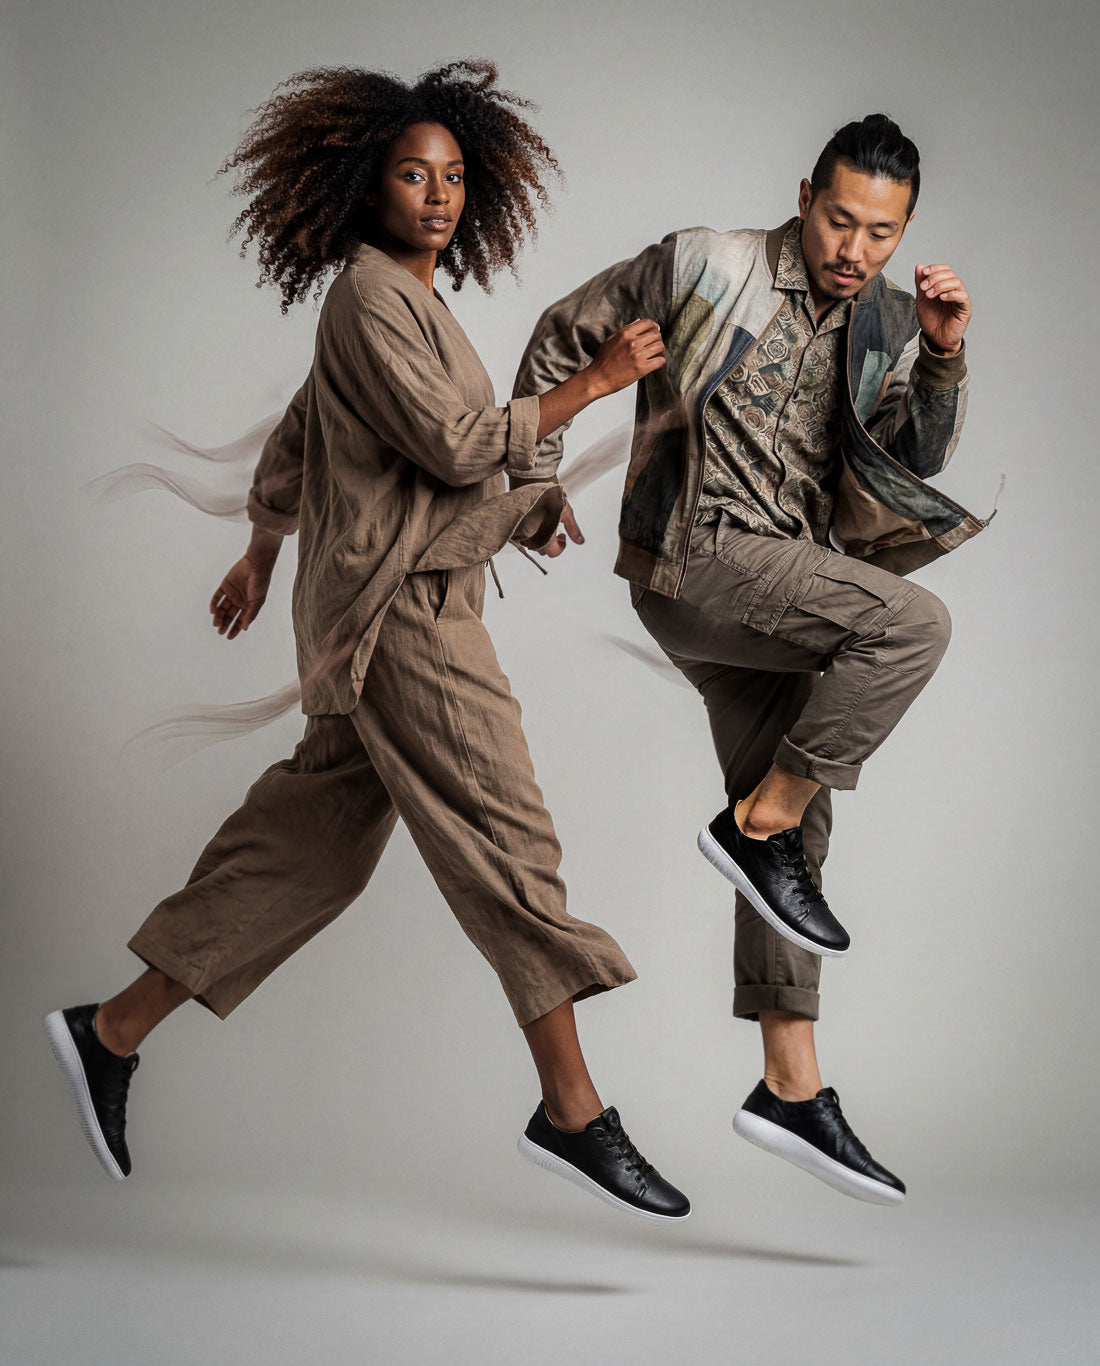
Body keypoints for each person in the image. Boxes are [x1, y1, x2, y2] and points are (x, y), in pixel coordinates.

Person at [44, 60, 690, 1223]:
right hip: (403, 620)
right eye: (411, 174)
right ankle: (571, 1110)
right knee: (506, 832)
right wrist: (592, 383)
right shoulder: (367, 298)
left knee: (315, 846)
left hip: (379, 610)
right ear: (364, 184)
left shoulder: (401, 304)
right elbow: (452, 444)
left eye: (452, 177)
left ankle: (112, 1030)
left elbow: (305, 433)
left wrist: (261, 550)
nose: (437, 195)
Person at [513, 114, 981, 1206]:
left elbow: (905, 463)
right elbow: (561, 333)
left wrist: (943, 356)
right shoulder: (703, 263)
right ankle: (753, 825)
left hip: (779, 586)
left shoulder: (887, 319)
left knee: (797, 835)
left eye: (880, 232)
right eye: (838, 220)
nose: (853, 249)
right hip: (696, 557)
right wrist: (532, 479)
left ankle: (788, 1084)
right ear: (804, 196)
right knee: (911, 627)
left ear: (904, 230)